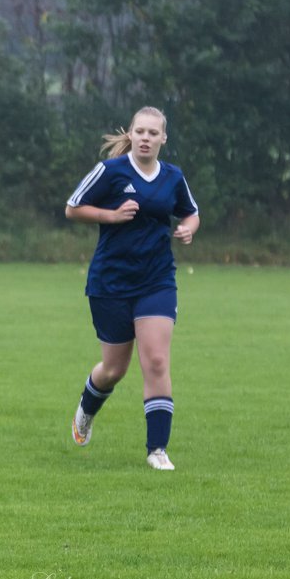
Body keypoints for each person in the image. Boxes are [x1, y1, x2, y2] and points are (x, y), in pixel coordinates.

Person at [65, 106, 200, 470]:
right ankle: (86, 410)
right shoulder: (110, 171)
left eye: (152, 133)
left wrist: (189, 228)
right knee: (114, 369)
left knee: (156, 360)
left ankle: (157, 449)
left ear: (163, 139)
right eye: (140, 131)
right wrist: (110, 216)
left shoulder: (173, 177)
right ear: (132, 134)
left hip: (156, 280)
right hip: (110, 282)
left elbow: (191, 211)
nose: (145, 138)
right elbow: (72, 208)